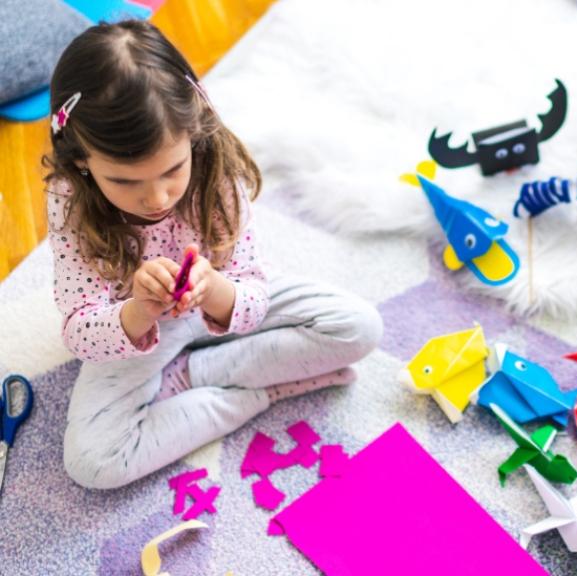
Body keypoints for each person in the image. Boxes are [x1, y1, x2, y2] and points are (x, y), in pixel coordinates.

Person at [45, 20, 383, 489]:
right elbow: (79, 332)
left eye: (172, 169)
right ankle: (251, 393)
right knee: (93, 463)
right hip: (138, 329)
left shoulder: (214, 167)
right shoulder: (69, 197)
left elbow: (252, 291)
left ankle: (192, 375)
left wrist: (217, 291)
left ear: (193, 133)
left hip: (222, 295)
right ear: (81, 161)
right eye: (125, 181)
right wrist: (138, 311)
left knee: (359, 327)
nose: (157, 198)